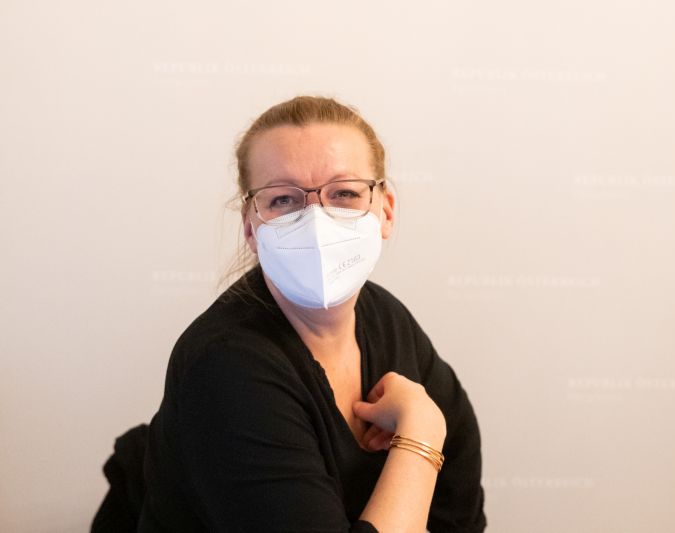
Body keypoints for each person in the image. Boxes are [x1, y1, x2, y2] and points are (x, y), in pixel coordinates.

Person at [137, 96, 487, 532]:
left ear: (386, 212)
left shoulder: (386, 318)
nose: (317, 223)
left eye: (344, 193)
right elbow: (440, 434)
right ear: (251, 227)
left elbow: (459, 508)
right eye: (284, 200)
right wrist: (421, 430)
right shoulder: (225, 367)